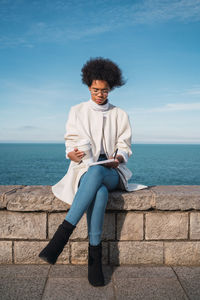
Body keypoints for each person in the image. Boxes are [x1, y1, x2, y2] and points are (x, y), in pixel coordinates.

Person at [39, 57, 147, 287]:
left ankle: (61, 237)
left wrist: (118, 158)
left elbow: (125, 145)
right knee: (98, 191)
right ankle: (94, 261)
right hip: (84, 171)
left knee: (98, 174)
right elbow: (70, 142)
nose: (100, 94)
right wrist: (71, 154)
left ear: (111, 89)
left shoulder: (120, 114)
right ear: (89, 87)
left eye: (105, 90)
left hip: (111, 172)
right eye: (96, 90)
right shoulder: (76, 111)